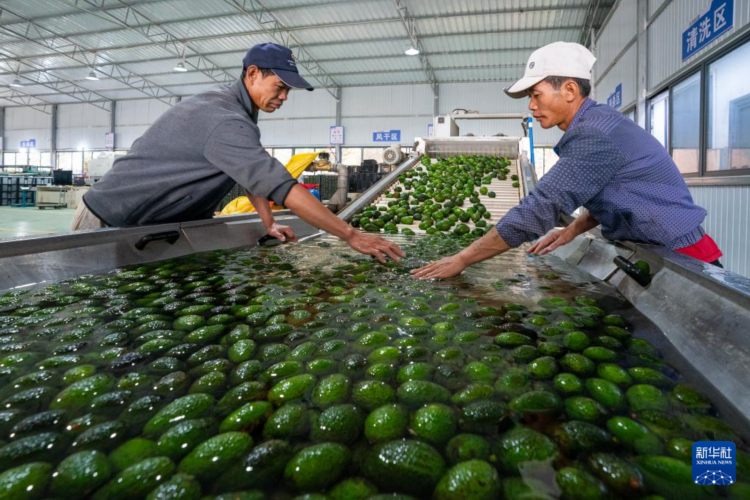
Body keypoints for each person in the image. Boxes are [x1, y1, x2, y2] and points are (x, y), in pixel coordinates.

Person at [412, 41, 721, 279]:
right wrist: (572, 230)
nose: (531, 106)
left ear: (570, 90)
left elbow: (540, 207)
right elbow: (614, 193)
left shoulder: (594, 134)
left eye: (536, 95)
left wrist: (462, 259)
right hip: (657, 250)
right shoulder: (597, 123)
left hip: (681, 258)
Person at [73, 43, 403, 263]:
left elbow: (250, 175)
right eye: (280, 87)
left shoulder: (238, 113)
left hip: (152, 222)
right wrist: (350, 235)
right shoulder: (223, 118)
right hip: (110, 219)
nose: (285, 97)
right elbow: (280, 185)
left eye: (288, 90)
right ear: (253, 73)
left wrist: (268, 222)